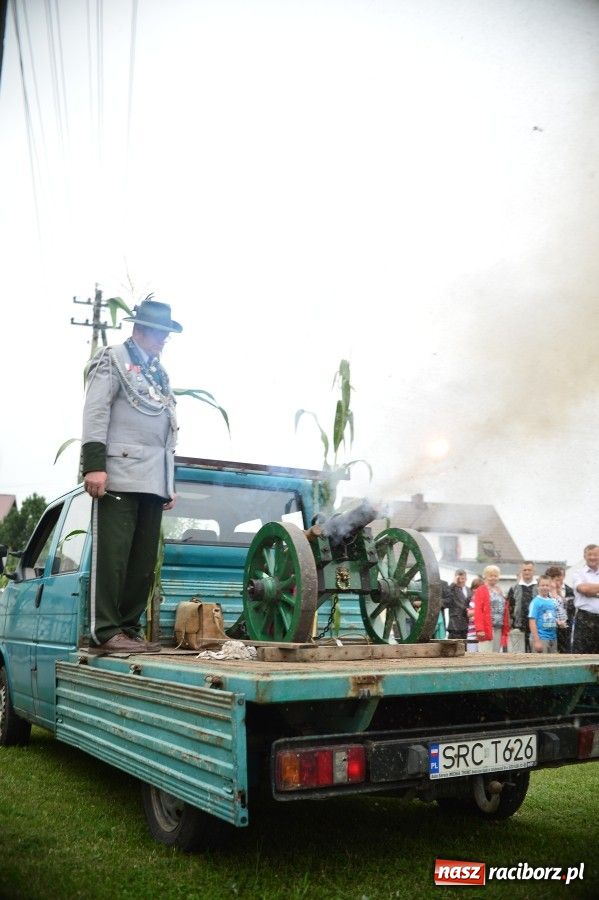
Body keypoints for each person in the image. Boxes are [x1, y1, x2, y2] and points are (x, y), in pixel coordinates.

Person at [81, 296, 182, 654]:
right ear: (141, 329)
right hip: (119, 472)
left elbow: (167, 431)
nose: (163, 340)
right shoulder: (113, 359)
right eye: (159, 333)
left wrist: (169, 483)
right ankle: (106, 630)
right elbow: (95, 412)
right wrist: (94, 464)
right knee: (114, 557)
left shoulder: (159, 373)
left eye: (167, 334)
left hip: (153, 479)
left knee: (142, 562)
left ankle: (128, 627)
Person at [473, 565, 511, 652]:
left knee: (496, 654)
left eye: (496, 576)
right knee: (486, 655)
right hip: (486, 629)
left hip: (499, 627)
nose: (493, 578)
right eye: (491, 575)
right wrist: (480, 629)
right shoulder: (481, 590)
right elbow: (478, 611)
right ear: (485, 576)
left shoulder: (499, 590)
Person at [571, 544, 599, 654]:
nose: (592, 557)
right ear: (584, 556)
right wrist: (589, 591)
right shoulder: (578, 573)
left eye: (595, 555)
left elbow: (588, 590)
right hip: (585, 619)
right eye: (590, 554)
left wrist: (592, 591)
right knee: (582, 654)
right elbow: (584, 589)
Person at [507, 561, 538, 652]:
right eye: (524, 570)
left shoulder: (539, 587)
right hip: (518, 626)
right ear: (521, 571)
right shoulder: (514, 588)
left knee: (535, 655)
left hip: (536, 627)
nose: (527, 572)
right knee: (519, 654)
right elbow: (510, 607)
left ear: (533, 571)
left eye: (529, 570)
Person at [528, 575, 562, 653]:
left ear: (550, 587)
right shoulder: (535, 602)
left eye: (547, 585)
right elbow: (532, 622)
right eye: (542, 585)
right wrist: (537, 641)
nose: (545, 587)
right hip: (541, 638)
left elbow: (552, 617)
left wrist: (558, 622)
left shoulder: (552, 601)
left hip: (553, 637)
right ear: (538, 587)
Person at [545, 565, 575, 653]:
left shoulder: (564, 593)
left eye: (560, 579)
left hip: (564, 630)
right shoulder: (544, 595)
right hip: (550, 631)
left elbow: (568, 610)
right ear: (549, 580)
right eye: (556, 580)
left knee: (565, 653)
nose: (559, 583)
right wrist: (556, 622)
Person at [442, 568, 471, 640]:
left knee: (464, 648)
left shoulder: (469, 590)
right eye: (459, 578)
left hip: (466, 624)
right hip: (454, 624)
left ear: (466, 578)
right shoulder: (452, 588)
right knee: (452, 647)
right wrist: (454, 583)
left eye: (463, 578)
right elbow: (446, 595)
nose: (461, 580)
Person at [466, 576, 483, 652]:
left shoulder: (484, 600)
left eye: (478, 588)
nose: (476, 590)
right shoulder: (472, 599)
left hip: (481, 633)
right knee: (472, 654)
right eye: (474, 588)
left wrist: (475, 613)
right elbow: (469, 614)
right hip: (472, 633)